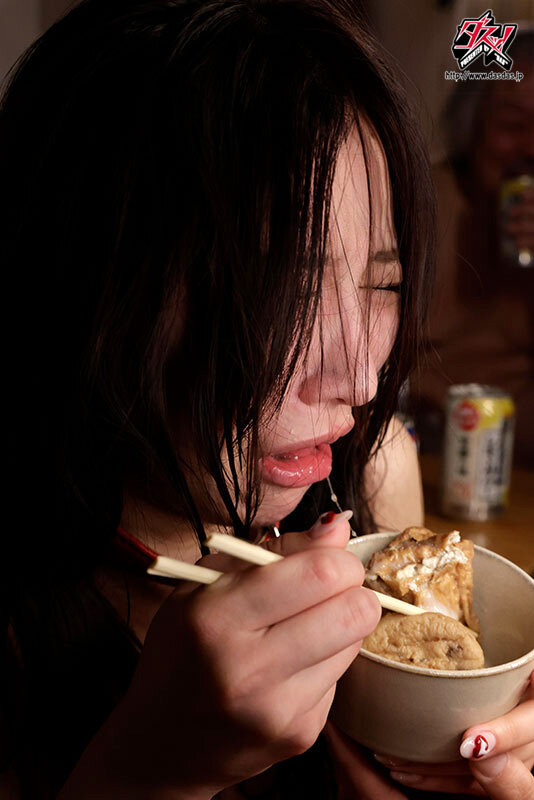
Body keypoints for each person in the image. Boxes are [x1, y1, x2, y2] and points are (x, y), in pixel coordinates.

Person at [1, 1, 532, 798]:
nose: (359, 382)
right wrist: (150, 772)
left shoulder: (374, 469)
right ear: (87, 283)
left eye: (384, 283)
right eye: (282, 290)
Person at [412, 30, 534, 466]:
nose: (530, 147)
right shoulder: (418, 200)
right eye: (512, 125)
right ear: (471, 123)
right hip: (418, 449)